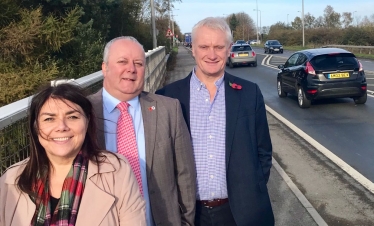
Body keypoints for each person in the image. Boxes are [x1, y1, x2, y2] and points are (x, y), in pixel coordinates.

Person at [156, 17, 274, 226]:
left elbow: (263, 151)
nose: (212, 54)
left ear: (229, 49)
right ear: (193, 48)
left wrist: (250, 190)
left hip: (239, 213)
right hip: (188, 214)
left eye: (219, 47)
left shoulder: (249, 93)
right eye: (204, 46)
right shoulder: (167, 96)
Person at [0, 83, 146, 226]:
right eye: (49, 119)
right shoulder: (10, 181)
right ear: (36, 127)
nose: (62, 127)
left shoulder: (117, 171)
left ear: (87, 121)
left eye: (72, 117)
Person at [88, 36, 196, 226]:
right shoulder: (82, 113)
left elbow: (185, 174)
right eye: (122, 61)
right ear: (104, 68)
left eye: (138, 63)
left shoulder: (169, 109)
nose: (131, 69)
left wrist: (186, 222)